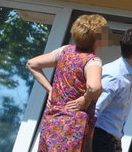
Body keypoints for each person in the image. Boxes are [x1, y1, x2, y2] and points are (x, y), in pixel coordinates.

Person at [27, 14, 109, 152]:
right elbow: (94, 87)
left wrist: (50, 90)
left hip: (52, 122)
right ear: (97, 39)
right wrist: (85, 99)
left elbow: (32, 64)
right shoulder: (92, 61)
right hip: (72, 127)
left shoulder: (64, 51)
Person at [92, 29, 132, 152]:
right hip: (99, 139)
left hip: (112, 140)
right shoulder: (114, 75)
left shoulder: (131, 74)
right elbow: (93, 111)